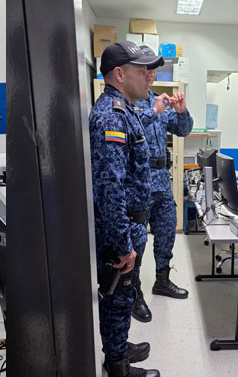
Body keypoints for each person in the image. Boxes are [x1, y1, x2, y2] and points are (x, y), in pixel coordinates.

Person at [90, 41, 165, 377]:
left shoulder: (125, 109)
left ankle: (118, 346)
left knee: (123, 294)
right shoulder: (112, 116)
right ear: (120, 74)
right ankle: (117, 365)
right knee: (118, 295)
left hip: (131, 223)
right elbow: (110, 187)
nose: (150, 76)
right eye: (143, 70)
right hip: (120, 230)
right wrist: (123, 244)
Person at [130, 45, 192, 323]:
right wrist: (154, 112)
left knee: (167, 232)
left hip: (162, 182)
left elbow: (183, 130)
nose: (151, 75)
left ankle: (162, 280)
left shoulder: (160, 102)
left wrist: (181, 111)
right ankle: (134, 292)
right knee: (137, 241)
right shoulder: (130, 105)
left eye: (153, 71)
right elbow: (129, 132)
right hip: (139, 183)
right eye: (146, 70)